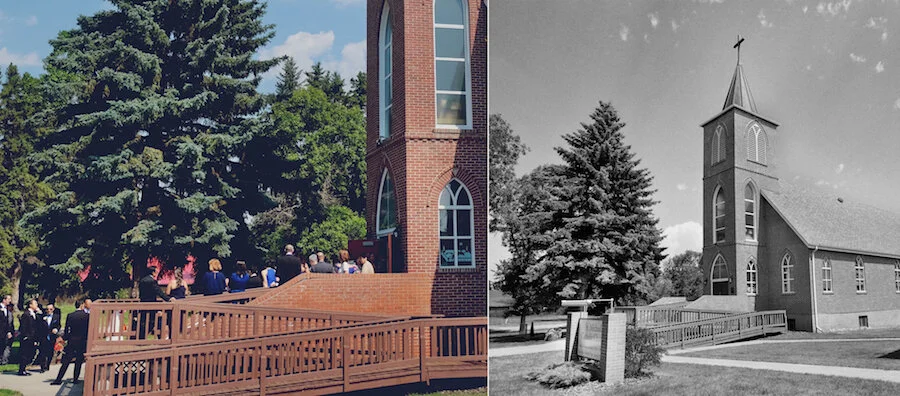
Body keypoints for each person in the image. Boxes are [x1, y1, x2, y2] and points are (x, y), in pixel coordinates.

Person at [50, 299, 91, 386]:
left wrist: (64, 338)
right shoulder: (87, 316)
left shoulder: (70, 315)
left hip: (72, 341)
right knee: (78, 361)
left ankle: (58, 379)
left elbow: (67, 330)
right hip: (82, 341)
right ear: (82, 305)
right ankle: (75, 378)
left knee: (66, 361)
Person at [138, 265, 174, 340]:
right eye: (156, 272)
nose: (157, 273)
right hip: (152, 304)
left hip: (143, 304)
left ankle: (141, 337)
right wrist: (168, 299)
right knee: (155, 321)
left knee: (144, 321)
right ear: (153, 272)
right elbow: (159, 292)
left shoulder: (142, 280)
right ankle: (160, 338)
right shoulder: (152, 281)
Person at [17, 298, 39, 376]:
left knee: (30, 353)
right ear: (30, 305)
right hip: (27, 338)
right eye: (35, 304)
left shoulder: (34, 314)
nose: (36, 305)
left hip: (32, 338)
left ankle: (24, 368)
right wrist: (26, 336)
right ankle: (21, 369)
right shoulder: (26, 314)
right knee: (25, 354)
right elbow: (23, 327)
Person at [37, 303, 61, 372]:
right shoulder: (43, 316)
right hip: (43, 336)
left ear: (53, 309)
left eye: (50, 309)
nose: (49, 310)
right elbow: (39, 326)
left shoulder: (56, 316)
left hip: (52, 336)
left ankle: (47, 365)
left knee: (50, 352)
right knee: (42, 352)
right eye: (47, 309)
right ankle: (42, 366)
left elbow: (58, 325)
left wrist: (56, 329)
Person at [0, 294, 12, 365]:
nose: (10, 301)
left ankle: (2, 360)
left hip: (4, 332)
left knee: (3, 345)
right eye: (8, 299)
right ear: (4, 300)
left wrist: (8, 331)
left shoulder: (7, 309)